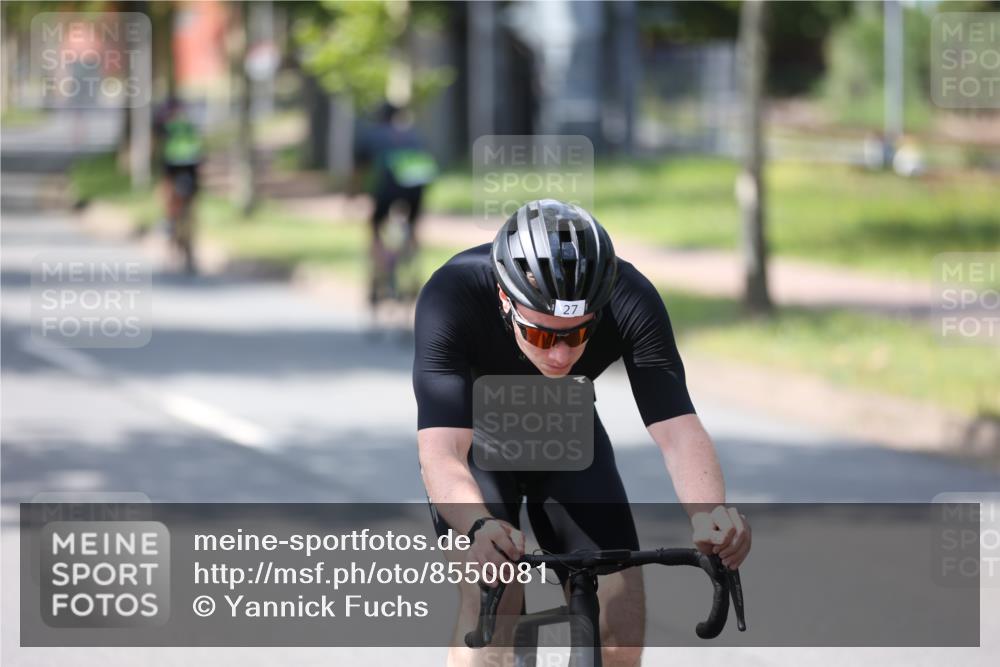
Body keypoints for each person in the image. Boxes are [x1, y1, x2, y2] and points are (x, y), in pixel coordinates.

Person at [413, 199, 751, 667]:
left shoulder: (630, 296)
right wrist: (477, 525)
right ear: (506, 302)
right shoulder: (452, 294)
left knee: (621, 616)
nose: (560, 355)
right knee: (494, 602)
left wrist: (710, 512)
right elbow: (442, 450)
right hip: (478, 441)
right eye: (542, 335)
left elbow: (678, 429)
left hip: (567, 428)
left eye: (577, 335)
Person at [353, 102, 437, 307]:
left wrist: (352, 195)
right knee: (413, 227)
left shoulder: (371, 136)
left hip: (387, 186)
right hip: (416, 185)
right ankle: (413, 267)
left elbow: (359, 172)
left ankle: (384, 263)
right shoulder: (413, 135)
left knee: (374, 228)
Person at [154, 96, 204, 273]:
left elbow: (158, 147)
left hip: (176, 167)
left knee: (171, 201)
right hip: (188, 168)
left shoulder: (167, 126)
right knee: (186, 204)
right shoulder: (188, 126)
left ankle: (170, 226)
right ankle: (180, 233)